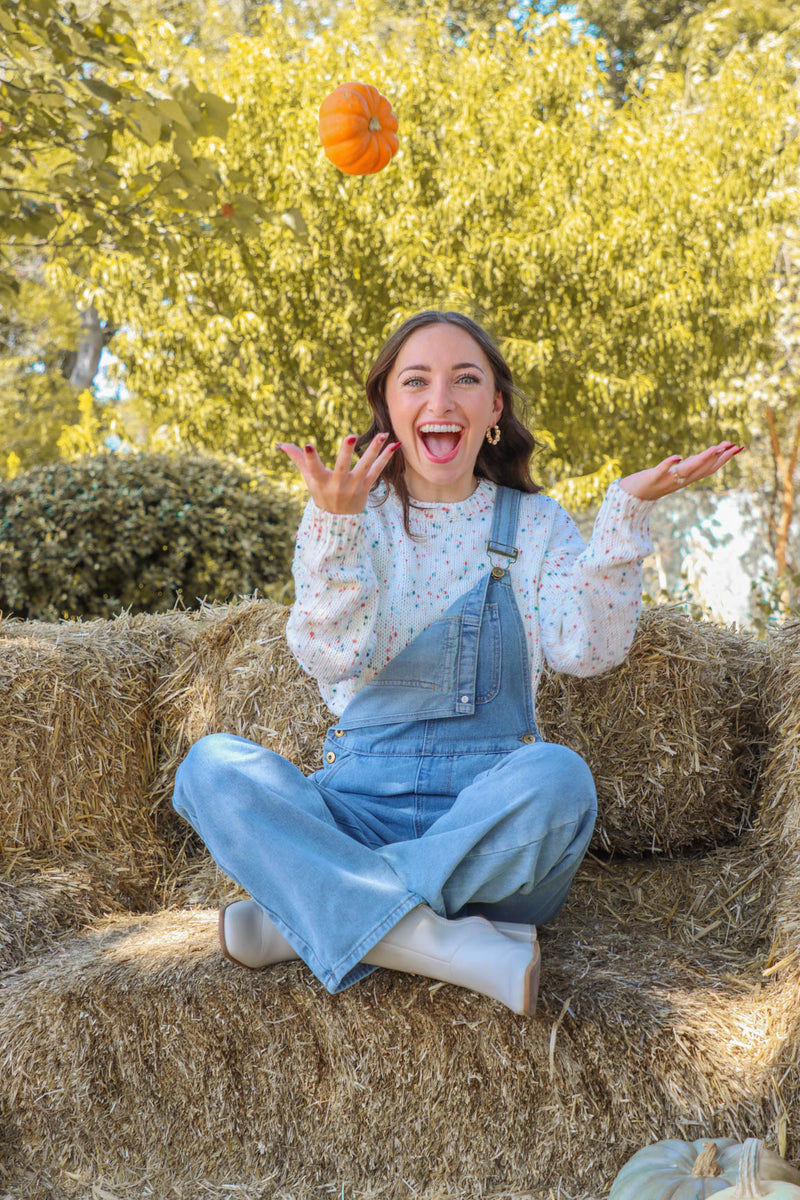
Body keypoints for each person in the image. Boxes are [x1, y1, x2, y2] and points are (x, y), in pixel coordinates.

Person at [172, 310, 741, 1016]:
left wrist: (624, 513)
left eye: (464, 380)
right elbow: (328, 653)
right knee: (211, 769)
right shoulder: (355, 519)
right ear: (390, 406)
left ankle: (311, 910)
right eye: (417, 381)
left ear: (493, 409)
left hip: (489, 829)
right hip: (355, 810)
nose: (440, 401)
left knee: (560, 779)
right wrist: (337, 529)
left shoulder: (534, 525)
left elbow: (587, 652)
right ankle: (440, 942)